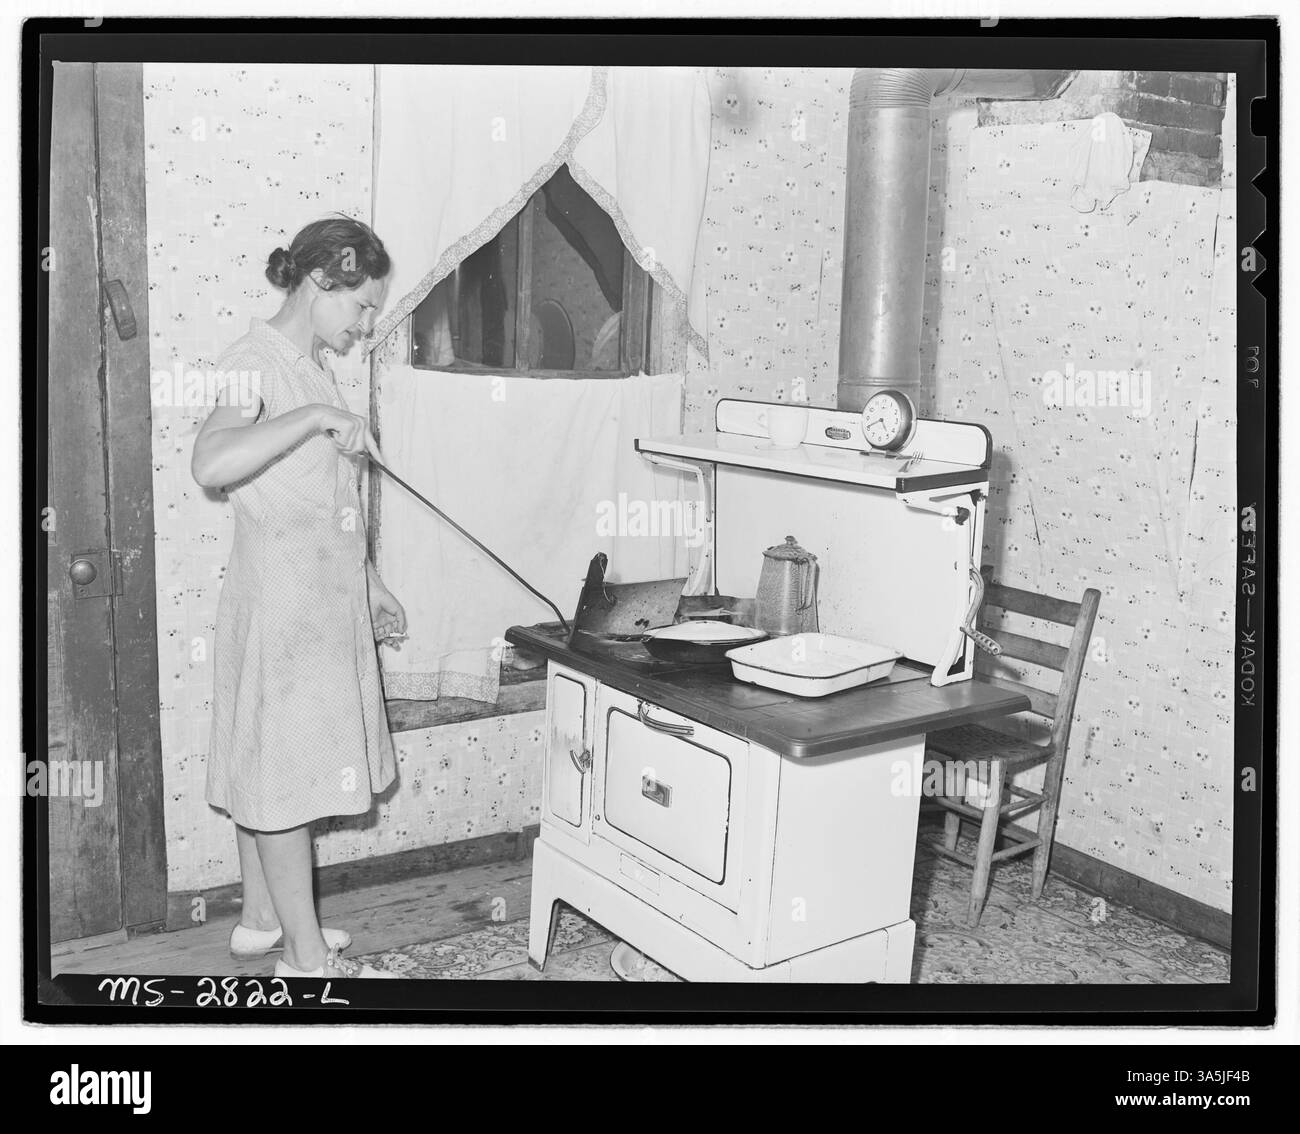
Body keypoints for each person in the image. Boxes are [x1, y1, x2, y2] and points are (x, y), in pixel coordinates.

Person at [192, 216, 406, 979]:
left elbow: (325, 494)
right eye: (360, 306)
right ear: (321, 283)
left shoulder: (309, 364)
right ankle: (307, 961)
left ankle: (259, 921)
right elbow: (212, 463)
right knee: (283, 785)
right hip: (281, 606)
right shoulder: (255, 361)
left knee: (264, 767)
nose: (366, 323)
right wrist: (315, 416)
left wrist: (370, 579)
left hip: (316, 599)